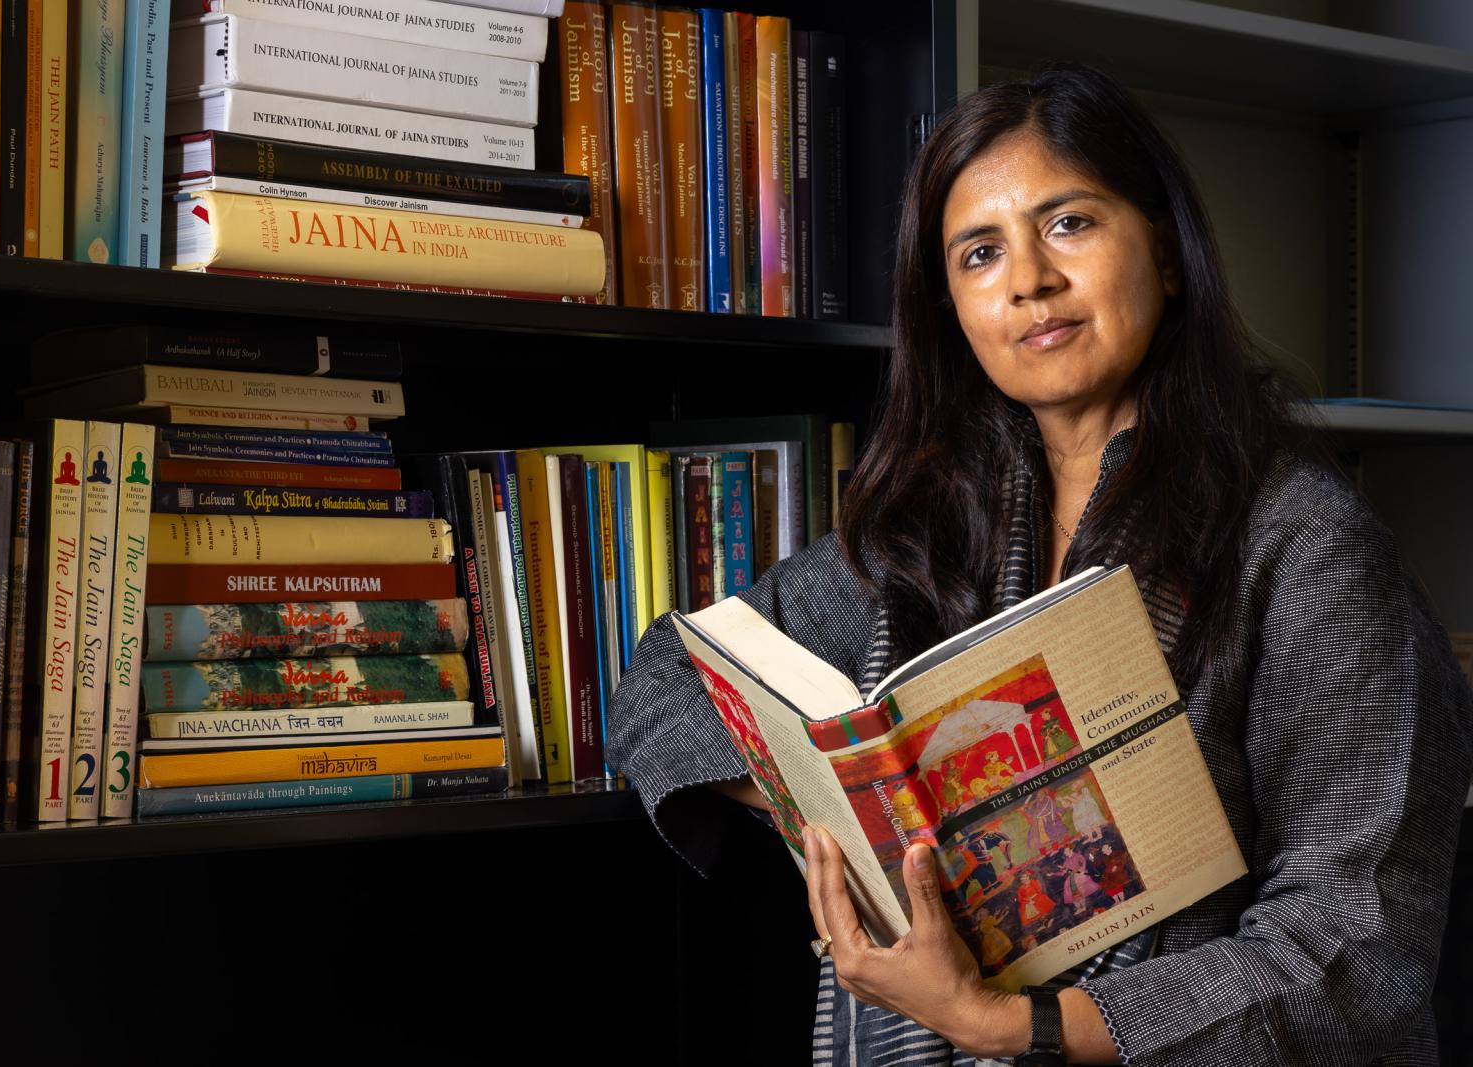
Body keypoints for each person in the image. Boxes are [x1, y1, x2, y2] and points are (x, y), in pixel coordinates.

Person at [604, 61, 1472, 1066]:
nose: (1027, 280)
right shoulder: (924, 524)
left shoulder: (1305, 541)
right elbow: (668, 668)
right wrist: (838, 819)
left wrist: (1002, 1022)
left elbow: (1352, 950)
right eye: (979, 253)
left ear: (1168, 250)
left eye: (1069, 223)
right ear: (950, 307)